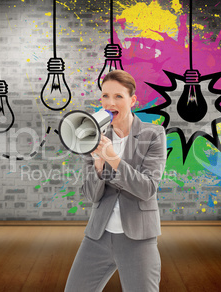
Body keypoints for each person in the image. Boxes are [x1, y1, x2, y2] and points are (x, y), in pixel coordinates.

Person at [65, 70, 167, 292]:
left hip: (138, 239)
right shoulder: (94, 135)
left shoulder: (153, 134)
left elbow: (147, 188)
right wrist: (99, 166)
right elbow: (91, 196)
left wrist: (112, 157)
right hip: (98, 237)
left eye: (118, 97)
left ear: (132, 100)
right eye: (105, 96)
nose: (110, 103)